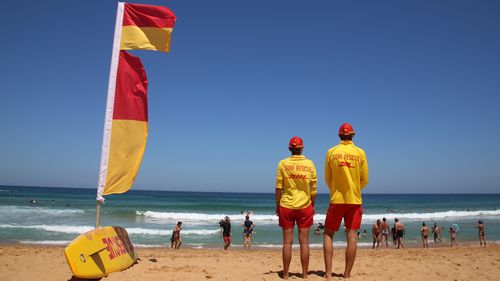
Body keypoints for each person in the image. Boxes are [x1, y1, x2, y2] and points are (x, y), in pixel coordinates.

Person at [323, 123, 368, 280]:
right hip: (354, 200)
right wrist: (354, 188)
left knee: (328, 234)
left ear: (339, 136)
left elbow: (328, 178)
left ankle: (328, 274)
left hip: (336, 198)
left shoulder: (331, 152)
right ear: (353, 135)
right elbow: (365, 179)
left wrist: (336, 189)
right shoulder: (360, 152)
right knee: (352, 236)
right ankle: (347, 274)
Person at [275, 136, 317, 280]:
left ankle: (286, 274)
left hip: (286, 206)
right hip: (305, 206)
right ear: (302, 148)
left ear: (289, 149)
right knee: (304, 242)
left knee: (287, 242)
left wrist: (277, 205)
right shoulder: (310, 164)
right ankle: (304, 274)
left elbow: (278, 187)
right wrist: (313, 205)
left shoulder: (283, 163)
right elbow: (313, 189)